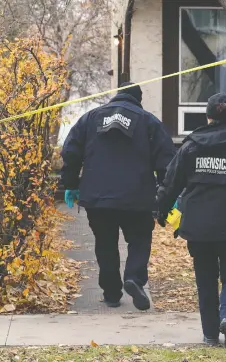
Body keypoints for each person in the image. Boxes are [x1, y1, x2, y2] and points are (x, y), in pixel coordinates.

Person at [156, 93, 226, 351]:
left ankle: (209, 333)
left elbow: (171, 182)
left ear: (207, 116)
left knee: (205, 279)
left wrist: (161, 210)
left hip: (197, 225)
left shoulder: (191, 145)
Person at [60, 82, 176, 310]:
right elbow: (167, 160)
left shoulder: (90, 118)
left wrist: (71, 184)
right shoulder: (148, 121)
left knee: (105, 244)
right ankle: (133, 278)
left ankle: (112, 293)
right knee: (139, 240)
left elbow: (71, 151)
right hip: (137, 196)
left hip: (98, 197)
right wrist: (165, 194)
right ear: (138, 100)